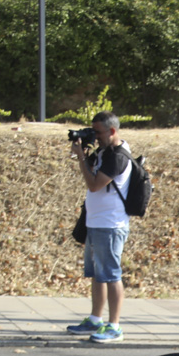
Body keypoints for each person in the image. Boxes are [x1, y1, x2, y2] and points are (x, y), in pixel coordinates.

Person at [66, 111, 131, 343]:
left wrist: (82, 159)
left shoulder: (119, 157)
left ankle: (115, 326)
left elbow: (94, 185)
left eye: (98, 132)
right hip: (96, 222)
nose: (95, 136)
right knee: (98, 275)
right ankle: (96, 319)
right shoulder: (104, 152)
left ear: (112, 131)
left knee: (112, 275)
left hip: (111, 225)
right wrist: (84, 150)